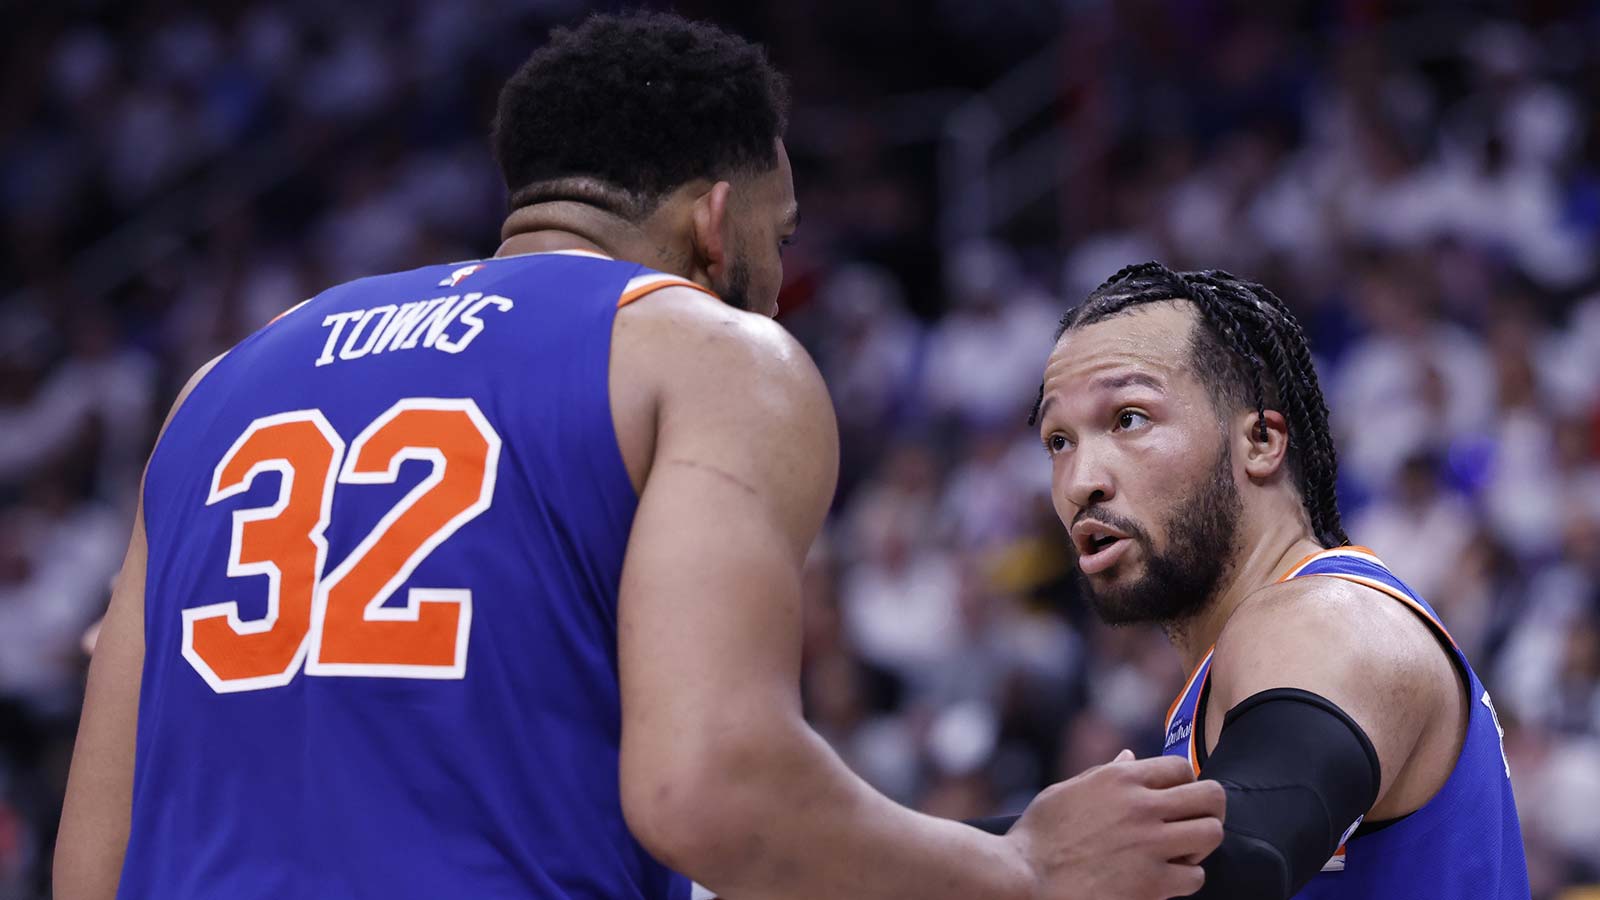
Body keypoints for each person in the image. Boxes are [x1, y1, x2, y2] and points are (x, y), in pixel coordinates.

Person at [53, 16, 1225, 900]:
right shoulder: (700, 349)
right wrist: (1015, 869)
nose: (779, 274)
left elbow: (93, 864)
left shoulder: (218, 386)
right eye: (781, 235)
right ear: (715, 221)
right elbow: (706, 788)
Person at [1029, 262, 1531, 898]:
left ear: (1261, 440)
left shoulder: (1326, 616)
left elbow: (1247, 854)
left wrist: (995, 860)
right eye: (1058, 441)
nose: (1080, 482)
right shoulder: (1237, 668)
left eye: (1129, 418)